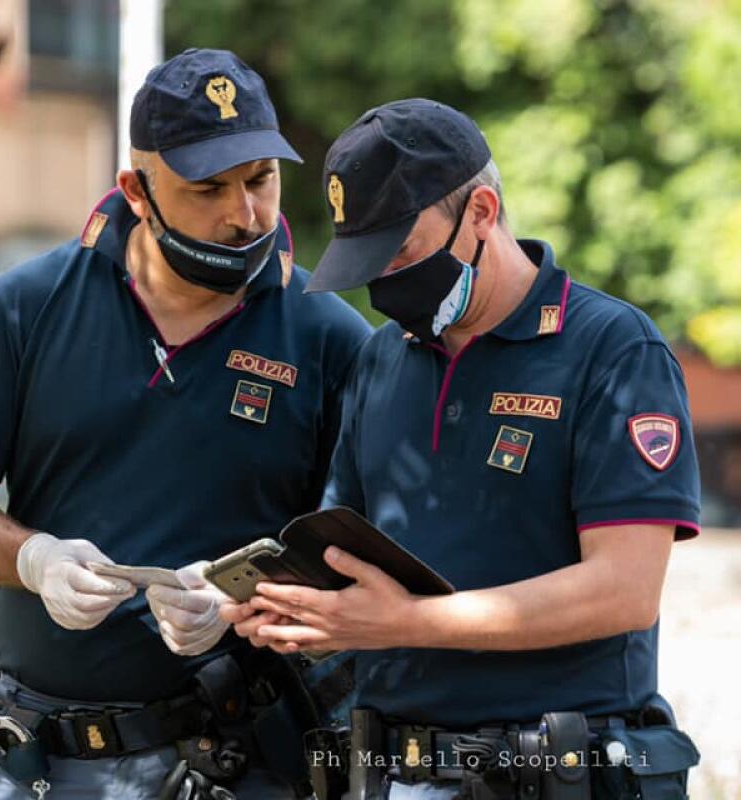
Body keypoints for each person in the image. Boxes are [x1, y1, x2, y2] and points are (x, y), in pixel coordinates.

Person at [0, 48, 371, 799]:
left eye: (261, 180)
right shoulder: (27, 306)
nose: (244, 214)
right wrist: (35, 559)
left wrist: (243, 598)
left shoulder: (330, 335)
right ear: (136, 189)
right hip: (39, 759)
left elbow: (364, 543)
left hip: (240, 757)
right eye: (207, 188)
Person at [223, 98, 702, 800]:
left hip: (555, 773)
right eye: (368, 262)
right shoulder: (381, 362)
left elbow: (624, 590)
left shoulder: (611, 350)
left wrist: (408, 623)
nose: (385, 283)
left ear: (481, 212)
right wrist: (293, 612)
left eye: (403, 253)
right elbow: (350, 568)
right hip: (395, 773)